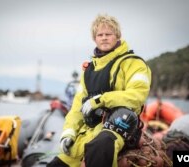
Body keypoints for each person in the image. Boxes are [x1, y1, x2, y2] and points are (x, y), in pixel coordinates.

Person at [47, 14, 151, 167]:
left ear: (117, 36)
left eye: (108, 34)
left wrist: (100, 100)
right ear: (94, 39)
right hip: (87, 133)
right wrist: (68, 132)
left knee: (100, 146)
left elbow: (137, 95)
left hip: (117, 129)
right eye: (99, 35)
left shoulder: (134, 63)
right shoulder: (88, 70)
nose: (104, 38)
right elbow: (77, 107)